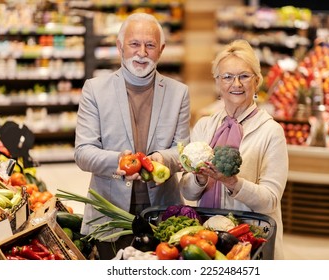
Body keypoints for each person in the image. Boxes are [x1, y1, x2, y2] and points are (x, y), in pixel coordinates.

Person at [74, 12, 190, 259]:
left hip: (163, 215)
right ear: (119, 47)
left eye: (150, 45)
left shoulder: (179, 93)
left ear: (161, 50)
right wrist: (119, 162)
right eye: (134, 44)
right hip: (109, 214)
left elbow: (183, 150)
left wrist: (162, 158)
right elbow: (83, 152)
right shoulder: (94, 90)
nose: (142, 52)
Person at [178, 40, 288, 260]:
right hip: (208, 237)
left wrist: (232, 182)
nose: (235, 84)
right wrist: (198, 178)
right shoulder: (204, 126)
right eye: (227, 77)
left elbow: (270, 200)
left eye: (244, 76)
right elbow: (188, 193)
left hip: (251, 240)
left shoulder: (271, 132)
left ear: (257, 81)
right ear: (218, 83)